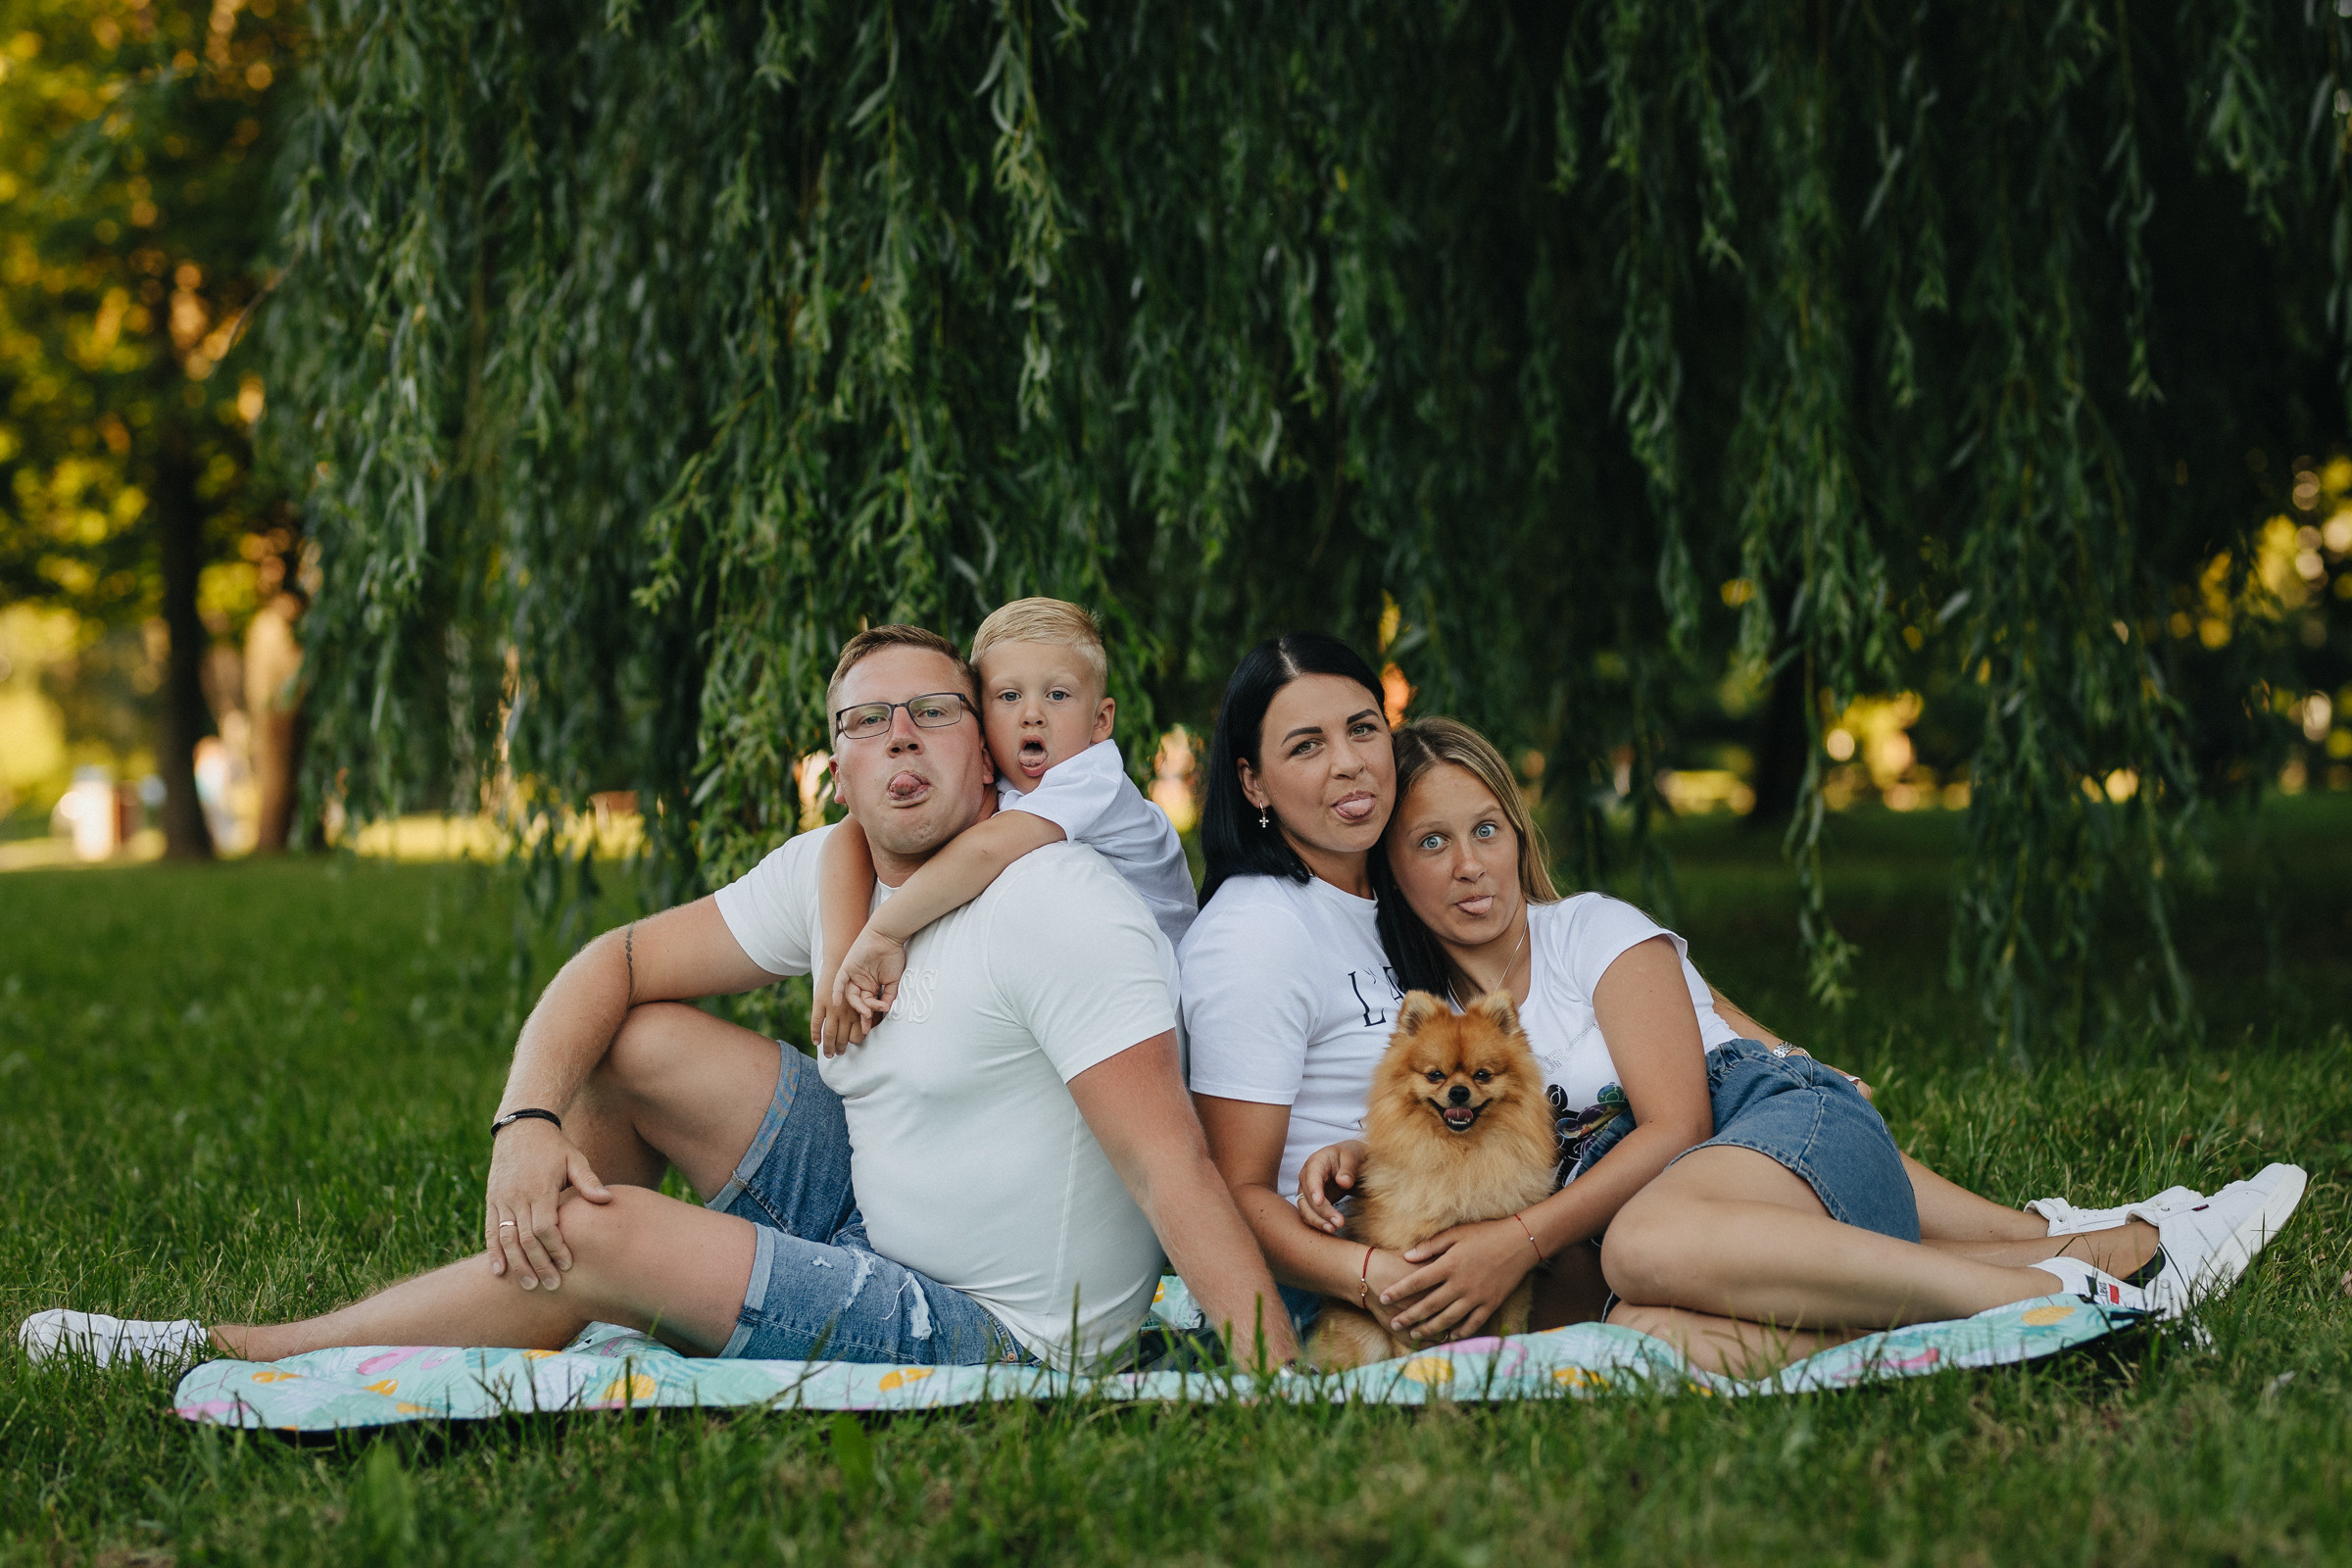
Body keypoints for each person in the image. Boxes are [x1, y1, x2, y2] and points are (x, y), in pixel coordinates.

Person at [22, 625, 1295, 1373]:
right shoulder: (835, 867)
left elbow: (1168, 1166)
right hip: (871, 1205)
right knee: (625, 1041)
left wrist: (1281, 1395)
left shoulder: (1060, 901)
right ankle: (558, 1290)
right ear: (833, 759)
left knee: (597, 1235)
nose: (899, 739)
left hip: (991, 1325)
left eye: (931, 713)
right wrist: (524, 1128)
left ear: (990, 745)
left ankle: (241, 1347)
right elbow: (609, 962)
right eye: (866, 722)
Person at [1180, 635, 2301, 1374]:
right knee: (1653, 1337)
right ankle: (2088, 1254)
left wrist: (1798, 1060)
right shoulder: (1414, 980)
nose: (1466, 862)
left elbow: (1690, 1095)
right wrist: (1352, 1164)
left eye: (1485, 831)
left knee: (1649, 1239)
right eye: (1430, 842)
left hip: (1741, 1137)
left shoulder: (1587, 926)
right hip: (1667, 1223)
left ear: (1520, 835)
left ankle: (2066, 1294)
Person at [811, 598, 1197, 1054]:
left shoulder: (1093, 778)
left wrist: (882, 933)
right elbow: (849, 833)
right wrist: (838, 963)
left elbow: (985, 851)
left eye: (1057, 695)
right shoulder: (1008, 779)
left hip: (1168, 1006)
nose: (1032, 714)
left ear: (1100, 721)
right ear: (982, 722)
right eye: (1009, 697)